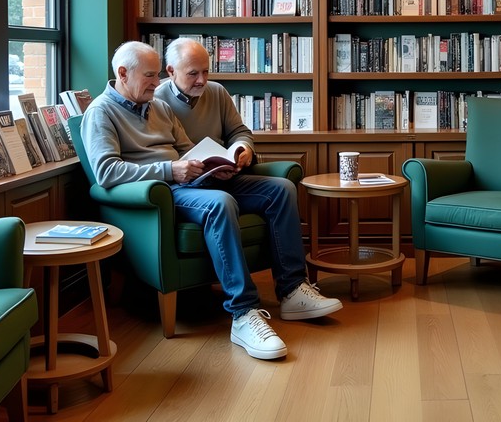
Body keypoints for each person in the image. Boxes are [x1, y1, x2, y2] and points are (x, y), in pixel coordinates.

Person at [81, 40, 341, 361]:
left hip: (187, 181)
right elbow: (106, 172)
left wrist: (210, 165)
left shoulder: (157, 107)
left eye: (156, 74)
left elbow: (186, 147)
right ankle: (243, 314)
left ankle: (292, 290)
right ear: (122, 73)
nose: (156, 82)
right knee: (220, 203)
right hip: (160, 191)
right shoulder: (101, 112)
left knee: (280, 189)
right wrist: (171, 170)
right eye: (150, 76)